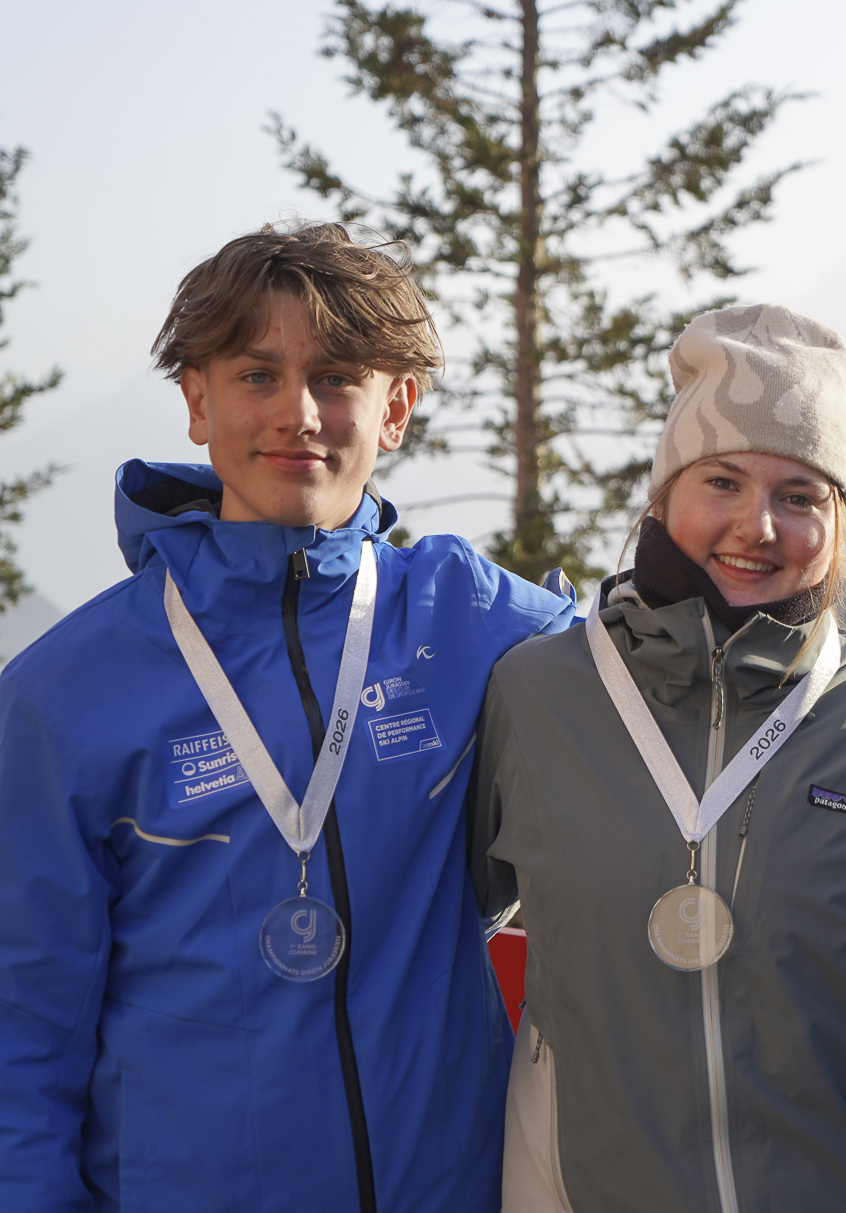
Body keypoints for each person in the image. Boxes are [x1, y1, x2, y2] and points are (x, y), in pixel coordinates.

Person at [0, 223, 574, 1212]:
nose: (298, 414)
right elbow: (21, 1028)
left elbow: (664, 691)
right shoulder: (64, 691)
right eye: (257, 375)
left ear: (396, 408)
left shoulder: (470, 620)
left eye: (337, 377)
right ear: (197, 402)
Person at [469, 304, 846, 1213]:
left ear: (841, 523)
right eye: (721, 481)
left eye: (800, 496)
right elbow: (457, 918)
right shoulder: (536, 695)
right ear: (663, 496)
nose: (756, 526)